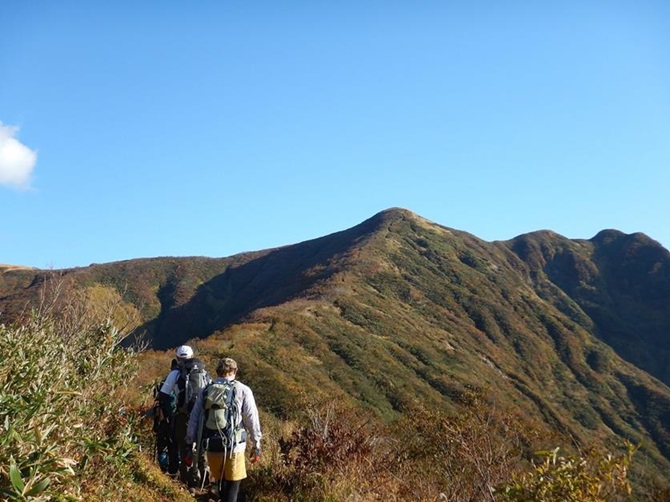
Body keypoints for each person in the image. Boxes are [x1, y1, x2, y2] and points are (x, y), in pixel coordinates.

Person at [186, 357, 262, 502]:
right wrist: (256, 443)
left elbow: (194, 418)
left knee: (221, 483)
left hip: (212, 445)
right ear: (235, 371)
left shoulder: (206, 390)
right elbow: (251, 418)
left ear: (217, 372)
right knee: (233, 486)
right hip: (234, 447)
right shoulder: (243, 390)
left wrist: (190, 443)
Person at [158, 345, 210, 483]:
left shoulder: (175, 373)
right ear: (192, 356)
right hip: (201, 416)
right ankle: (204, 478)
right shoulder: (203, 372)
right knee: (201, 447)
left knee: (183, 446)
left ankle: (188, 482)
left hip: (183, 414)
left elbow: (163, 394)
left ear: (177, 358)